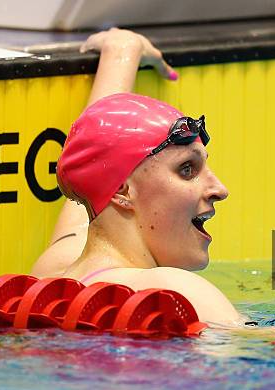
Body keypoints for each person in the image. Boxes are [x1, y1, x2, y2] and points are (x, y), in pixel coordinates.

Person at [30, 28, 245, 328]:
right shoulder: (176, 292)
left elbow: (96, 163)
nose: (220, 190)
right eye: (187, 169)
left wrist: (122, 51)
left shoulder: (51, 270)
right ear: (122, 191)